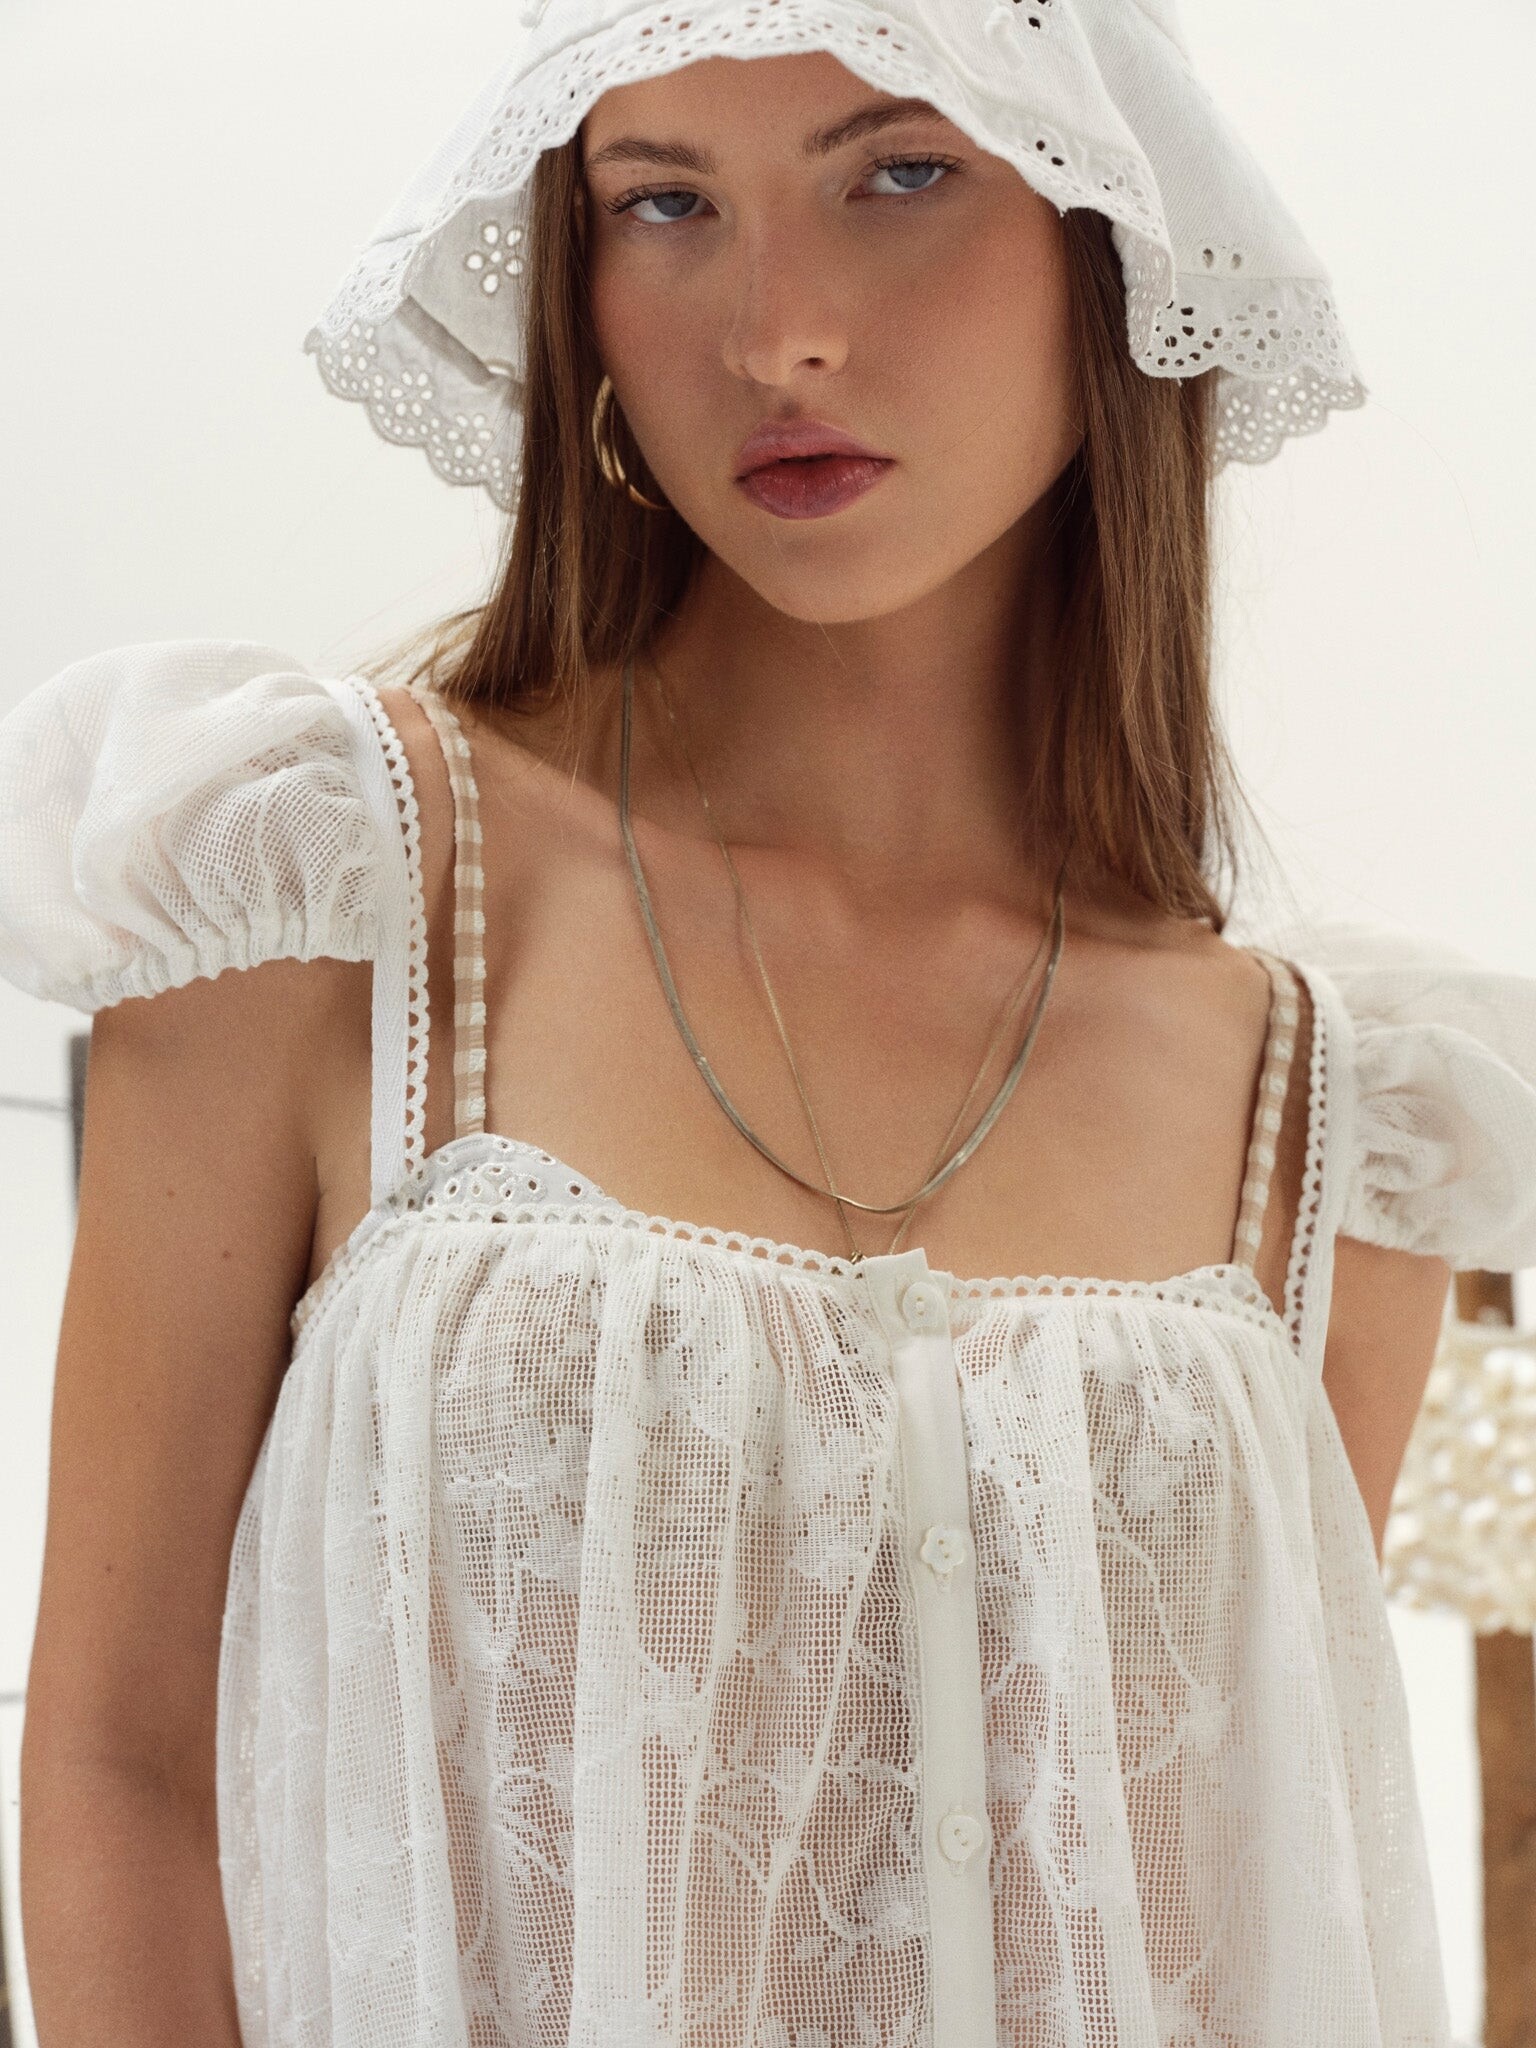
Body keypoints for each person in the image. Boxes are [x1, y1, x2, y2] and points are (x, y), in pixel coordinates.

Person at [3, 5, 1534, 2044]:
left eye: (900, 174)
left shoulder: (1335, 1116)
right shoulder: (324, 890)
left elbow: (1231, 1923)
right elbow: (127, 1759)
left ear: (1112, 239)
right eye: (664, 205)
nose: (777, 332)